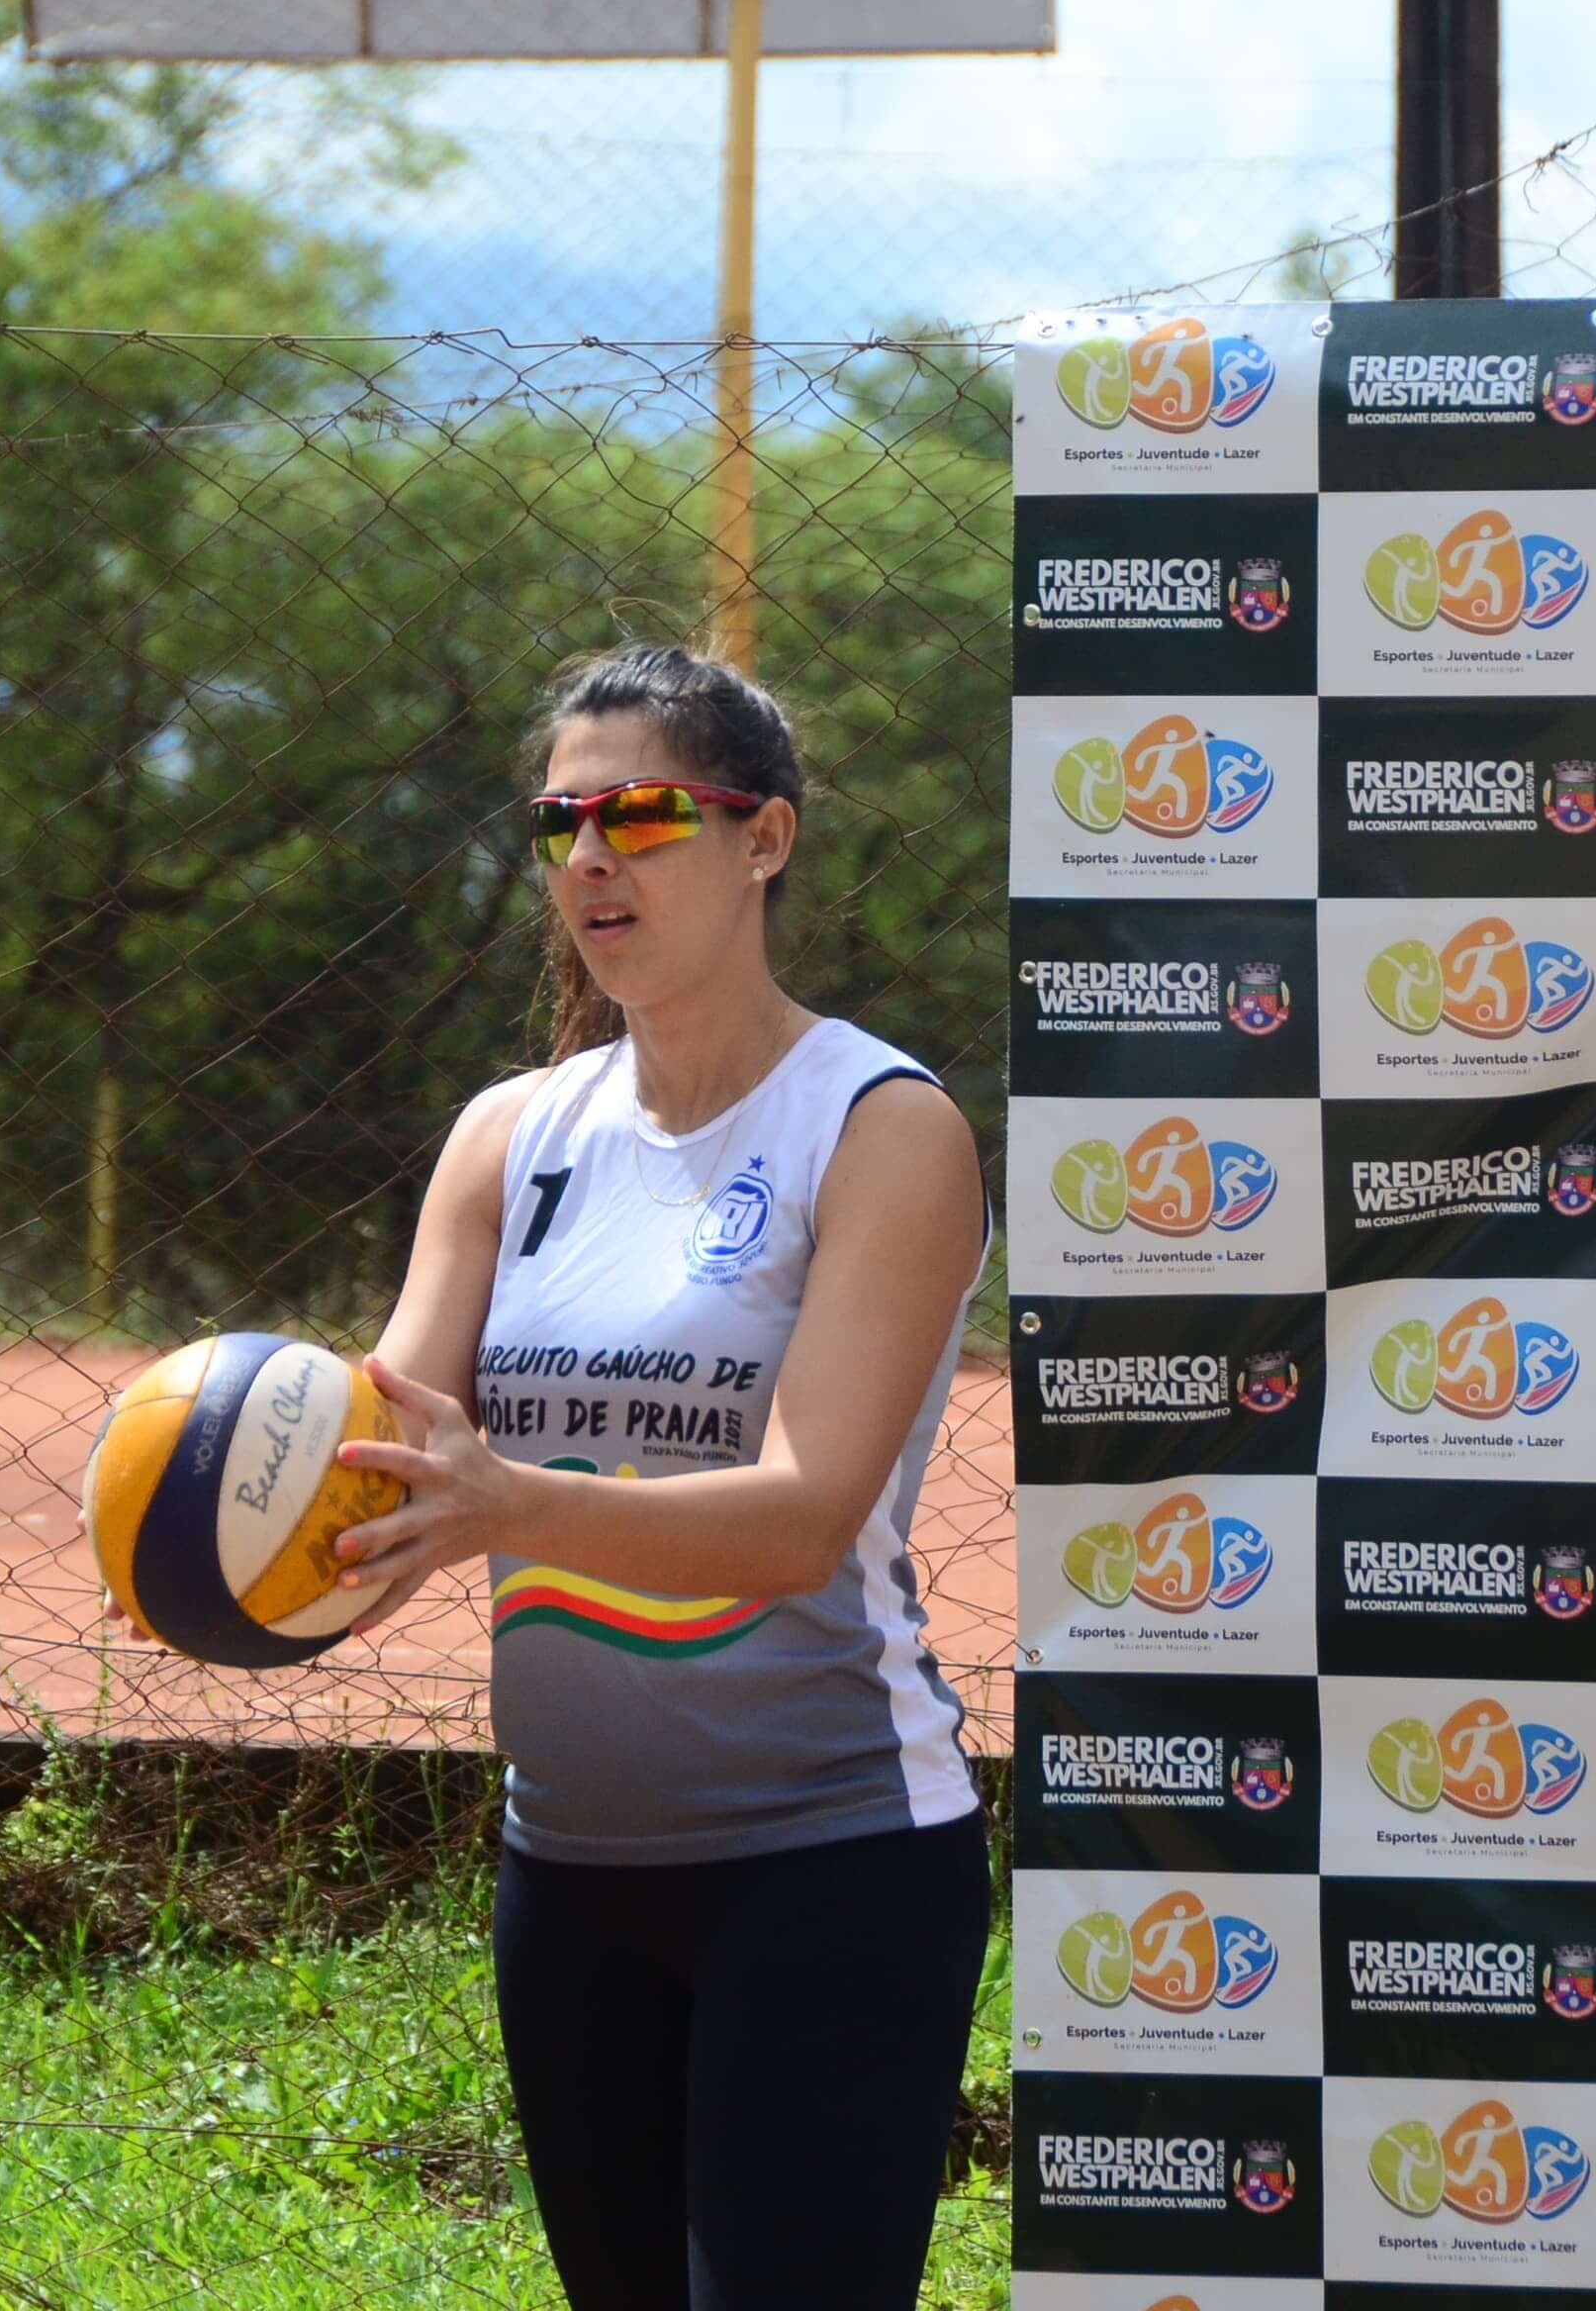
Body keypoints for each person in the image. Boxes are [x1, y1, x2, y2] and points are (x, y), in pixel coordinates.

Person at [325, 643, 992, 2311]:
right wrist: (235, 1525)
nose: (591, 858)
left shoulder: (880, 1124)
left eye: (638, 813)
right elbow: (392, 1457)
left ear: (763, 838)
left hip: (831, 1858)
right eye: (562, 823)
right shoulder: (510, 1134)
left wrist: (512, 1504)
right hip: (568, 1871)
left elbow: (803, 1519)